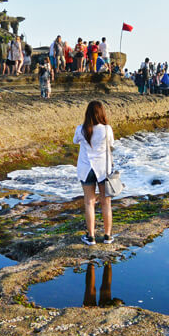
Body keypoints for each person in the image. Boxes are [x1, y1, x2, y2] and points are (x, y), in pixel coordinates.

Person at [73, 101, 114, 245]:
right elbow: (111, 145)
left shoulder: (81, 129)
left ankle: (91, 237)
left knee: (89, 203)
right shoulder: (107, 129)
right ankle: (107, 236)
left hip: (86, 168)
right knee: (106, 202)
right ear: (101, 113)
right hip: (103, 169)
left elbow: (75, 141)